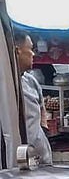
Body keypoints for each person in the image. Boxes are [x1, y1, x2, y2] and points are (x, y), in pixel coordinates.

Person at [13, 33, 51, 165]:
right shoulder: (6, 84)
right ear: (17, 51)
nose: (33, 54)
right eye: (30, 49)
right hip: (16, 159)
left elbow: (41, 108)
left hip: (40, 158)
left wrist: (43, 130)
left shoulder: (31, 81)